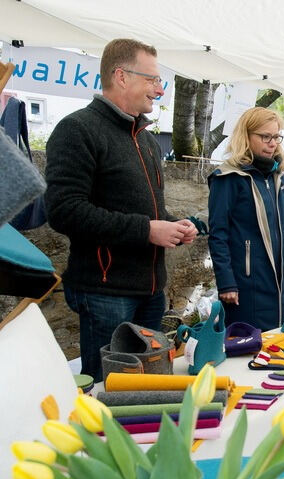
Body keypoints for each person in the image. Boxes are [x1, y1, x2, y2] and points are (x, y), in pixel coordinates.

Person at [46, 38, 198, 383]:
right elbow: (64, 211)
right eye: (152, 80)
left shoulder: (145, 139)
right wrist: (148, 230)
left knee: (145, 389)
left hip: (150, 292)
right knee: (109, 392)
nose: (159, 91)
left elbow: (147, 210)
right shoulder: (77, 130)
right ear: (122, 76)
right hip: (105, 293)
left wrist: (174, 225)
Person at [208, 107, 284, 330]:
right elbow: (218, 235)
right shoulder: (227, 178)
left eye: (276, 137)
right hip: (245, 285)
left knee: (279, 346)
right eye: (265, 136)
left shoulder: (278, 176)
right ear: (246, 136)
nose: (272, 143)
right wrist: (226, 283)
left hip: (279, 284)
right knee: (248, 352)